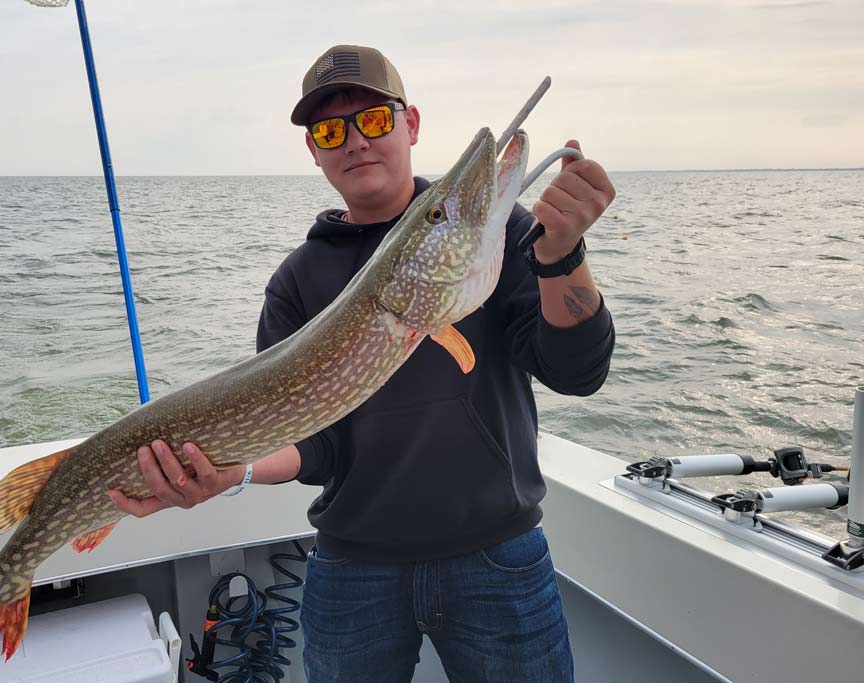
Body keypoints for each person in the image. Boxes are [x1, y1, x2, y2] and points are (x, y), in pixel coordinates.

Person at [110, 44, 616, 683]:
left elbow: (576, 371)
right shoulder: (297, 281)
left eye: (374, 120)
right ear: (314, 151)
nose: (355, 141)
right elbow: (312, 442)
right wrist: (228, 474)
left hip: (500, 556)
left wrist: (562, 255)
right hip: (353, 569)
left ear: (410, 124)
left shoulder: (497, 233)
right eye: (330, 130)